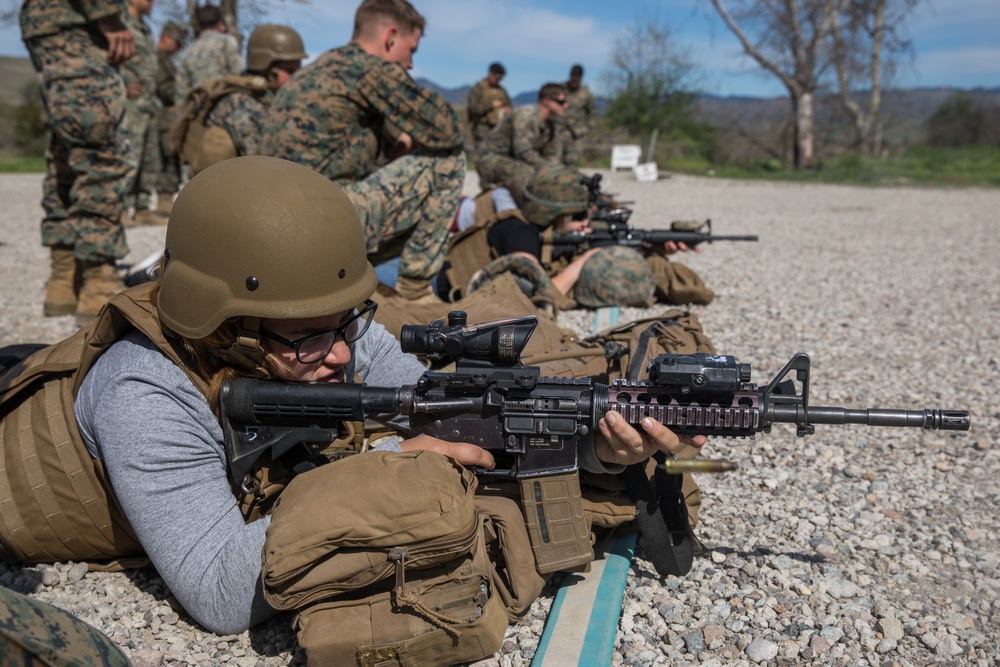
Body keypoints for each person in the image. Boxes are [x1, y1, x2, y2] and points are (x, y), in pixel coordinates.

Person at [0, 156, 703, 646]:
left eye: (346, 320)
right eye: (308, 336)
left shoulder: (320, 327)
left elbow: (437, 412)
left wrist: (589, 442)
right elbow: (217, 591)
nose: (340, 353)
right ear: (226, 326)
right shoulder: (142, 391)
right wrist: (399, 466)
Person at [260, 0, 466, 303]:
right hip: (316, 226)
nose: (410, 64)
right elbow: (449, 129)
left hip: (273, 227)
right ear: (390, 37)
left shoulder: (324, 66)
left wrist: (400, 143)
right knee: (450, 160)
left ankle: (364, 282)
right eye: (411, 51)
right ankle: (415, 292)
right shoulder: (369, 68)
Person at [441, 165, 712, 308]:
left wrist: (655, 250)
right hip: (440, 288)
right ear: (556, 213)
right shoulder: (519, 234)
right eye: (580, 216)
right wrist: (582, 263)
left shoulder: (535, 228)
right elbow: (538, 298)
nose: (587, 224)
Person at [20, 0, 135, 326]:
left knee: (68, 153)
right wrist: (108, 15)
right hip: (77, 22)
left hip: (51, 25)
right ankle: (97, 279)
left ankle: (65, 276)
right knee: (104, 155)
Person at [173, 24, 307, 174]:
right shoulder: (242, 105)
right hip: (225, 191)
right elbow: (262, 165)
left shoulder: (267, 99)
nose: (297, 77)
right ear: (269, 70)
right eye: (290, 71)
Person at [122, 0, 166, 227]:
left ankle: (141, 207)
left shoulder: (145, 28)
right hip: (130, 105)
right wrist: (122, 84)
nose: (153, 2)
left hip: (149, 103)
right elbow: (107, 56)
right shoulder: (120, 21)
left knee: (150, 158)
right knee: (129, 157)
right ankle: (119, 209)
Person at [476, 82, 566, 194]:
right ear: (546, 101)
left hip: (514, 160)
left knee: (558, 176)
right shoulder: (526, 116)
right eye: (561, 102)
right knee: (528, 174)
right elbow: (524, 153)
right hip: (491, 160)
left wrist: (559, 172)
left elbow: (551, 155)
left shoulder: (551, 125)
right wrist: (548, 170)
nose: (566, 106)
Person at [173, 3, 243, 105]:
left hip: (198, 112)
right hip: (225, 108)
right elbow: (238, 77)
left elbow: (180, 93)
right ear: (220, 24)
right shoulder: (227, 42)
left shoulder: (189, 52)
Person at [155, 20, 187, 215]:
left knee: (171, 156)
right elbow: (164, 88)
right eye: (178, 43)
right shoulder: (157, 59)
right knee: (167, 156)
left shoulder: (166, 60)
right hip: (163, 115)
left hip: (167, 115)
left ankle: (165, 199)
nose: (179, 48)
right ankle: (163, 199)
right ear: (166, 38)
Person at [466, 62, 512, 152]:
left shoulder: (502, 91)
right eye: (496, 78)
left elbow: (508, 105)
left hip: (498, 129)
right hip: (482, 128)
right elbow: (474, 109)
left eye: (500, 79)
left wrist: (507, 110)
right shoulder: (478, 89)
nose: (497, 81)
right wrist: (491, 105)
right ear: (490, 73)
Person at [561, 64, 597, 167]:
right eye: (573, 78)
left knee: (572, 163)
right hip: (558, 131)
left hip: (576, 135)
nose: (574, 82)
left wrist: (586, 129)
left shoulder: (585, 94)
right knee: (554, 161)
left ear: (581, 78)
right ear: (570, 75)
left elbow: (592, 113)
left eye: (577, 79)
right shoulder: (560, 89)